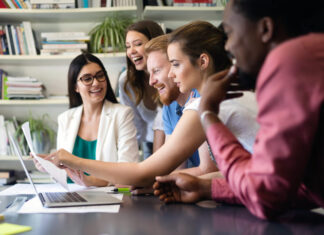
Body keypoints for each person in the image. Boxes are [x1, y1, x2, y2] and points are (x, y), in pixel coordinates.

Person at [153, 0, 324, 220]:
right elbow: (292, 187)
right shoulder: (309, 53)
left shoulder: (290, 60)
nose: (228, 47)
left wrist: (208, 115)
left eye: (230, 33)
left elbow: (267, 196)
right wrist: (207, 189)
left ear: (265, 29)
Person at [41, 20, 259, 189]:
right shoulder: (233, 94)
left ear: (202, 62)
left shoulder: (203, 104)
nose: (171, 74)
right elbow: (232, 170)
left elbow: (144, 172)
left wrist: (73, 160)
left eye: (175, 64)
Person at [34, 53, 139, 186]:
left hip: (109, 198)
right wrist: (50, 166)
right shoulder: (65, 119)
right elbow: (64, 171)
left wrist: (90, 181)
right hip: (71, 197)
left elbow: (128, 175)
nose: (96, 83)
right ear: (75, 87)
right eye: (87, 79)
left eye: (100, 76)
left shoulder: (122, 115)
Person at [145, 34, 201, 169]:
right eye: (149, 73)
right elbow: (175, 166)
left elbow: (210, 169)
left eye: (156, 71)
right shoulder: (169, 108)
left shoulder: (200, 97)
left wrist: (155, 180)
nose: (151, 81)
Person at [118, 20, 164, 159]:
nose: (131, 51)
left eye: (138, 44)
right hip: (150, 144)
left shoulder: (172, 75)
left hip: (179, 142)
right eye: (128, 46)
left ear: (156, 43)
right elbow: (134, 125)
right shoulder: (126, 81)